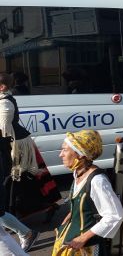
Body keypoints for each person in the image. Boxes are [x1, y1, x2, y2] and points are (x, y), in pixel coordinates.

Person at [52, 130, 123, 256]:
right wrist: (72, 213)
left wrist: (82, 238)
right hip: (70, 241)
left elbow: (115, 215)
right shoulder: (78, 173)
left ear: (80, 154)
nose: (60, 155)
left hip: (87, 248)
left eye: (65, 150)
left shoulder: (97, 181)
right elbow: (86, 202)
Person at [0, 73, 61, 220]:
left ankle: (20, 213)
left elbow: (3, 129)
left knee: (18, 180)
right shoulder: (3, 99)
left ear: (2, 87)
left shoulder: (5, 103)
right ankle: (17, 213)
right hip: (13, 142)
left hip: (15, 144)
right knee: (20, 180)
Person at [0, 73, 38, 252]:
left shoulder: (5, 103)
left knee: (14, 186)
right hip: (7, 147)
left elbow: (3, 132)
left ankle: (25, 232)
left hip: (12, 147)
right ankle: (24, 231)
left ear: (2, 87)